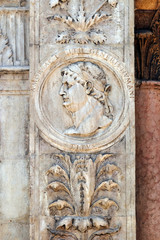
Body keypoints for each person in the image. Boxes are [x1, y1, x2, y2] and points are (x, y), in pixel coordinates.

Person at [59, 61, 113, 137]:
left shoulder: (102, 124)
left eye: (68, 85)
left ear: (88, 87)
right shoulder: (74, 130)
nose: (61, 92)